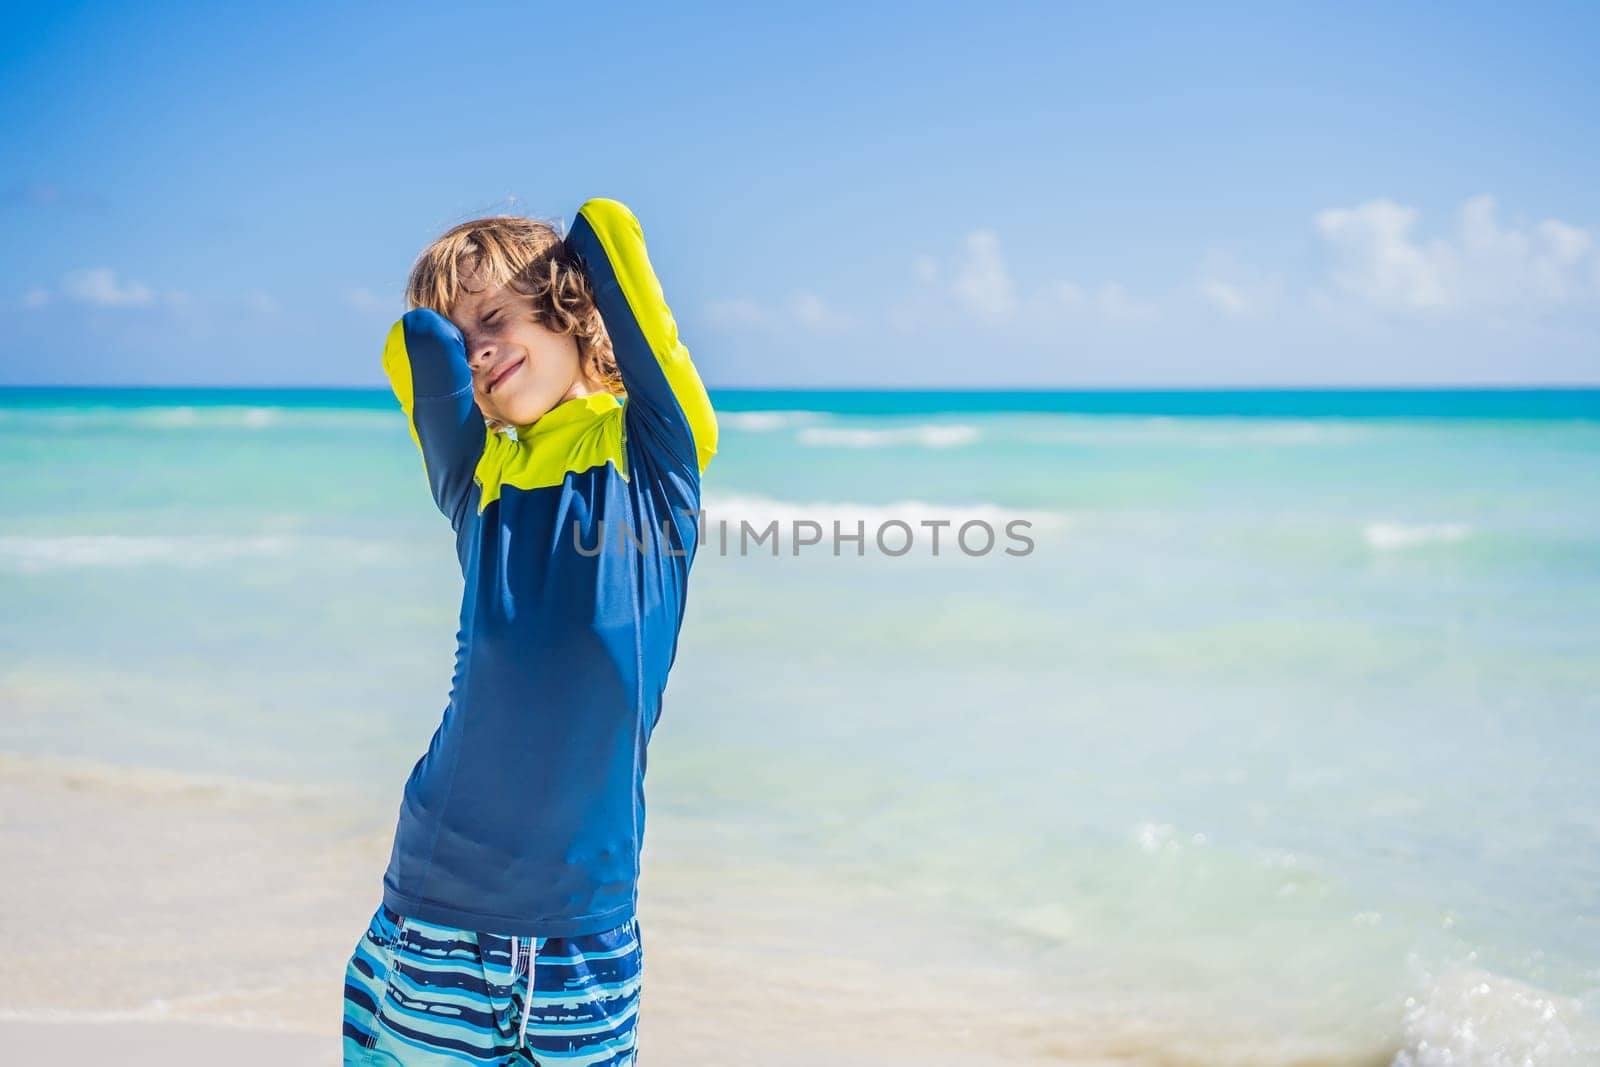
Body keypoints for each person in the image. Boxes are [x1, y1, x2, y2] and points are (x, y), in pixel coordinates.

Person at [342, 197, 718, 1065]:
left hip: (582, 926)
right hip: (438, 906)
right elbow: (415, 352)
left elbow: (608, 232)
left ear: (572, 306)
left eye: (496, 317)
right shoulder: (480, 484)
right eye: (462, 332)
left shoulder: (658, 456)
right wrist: (472, 316)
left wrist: (562, 283)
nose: (475, 346)